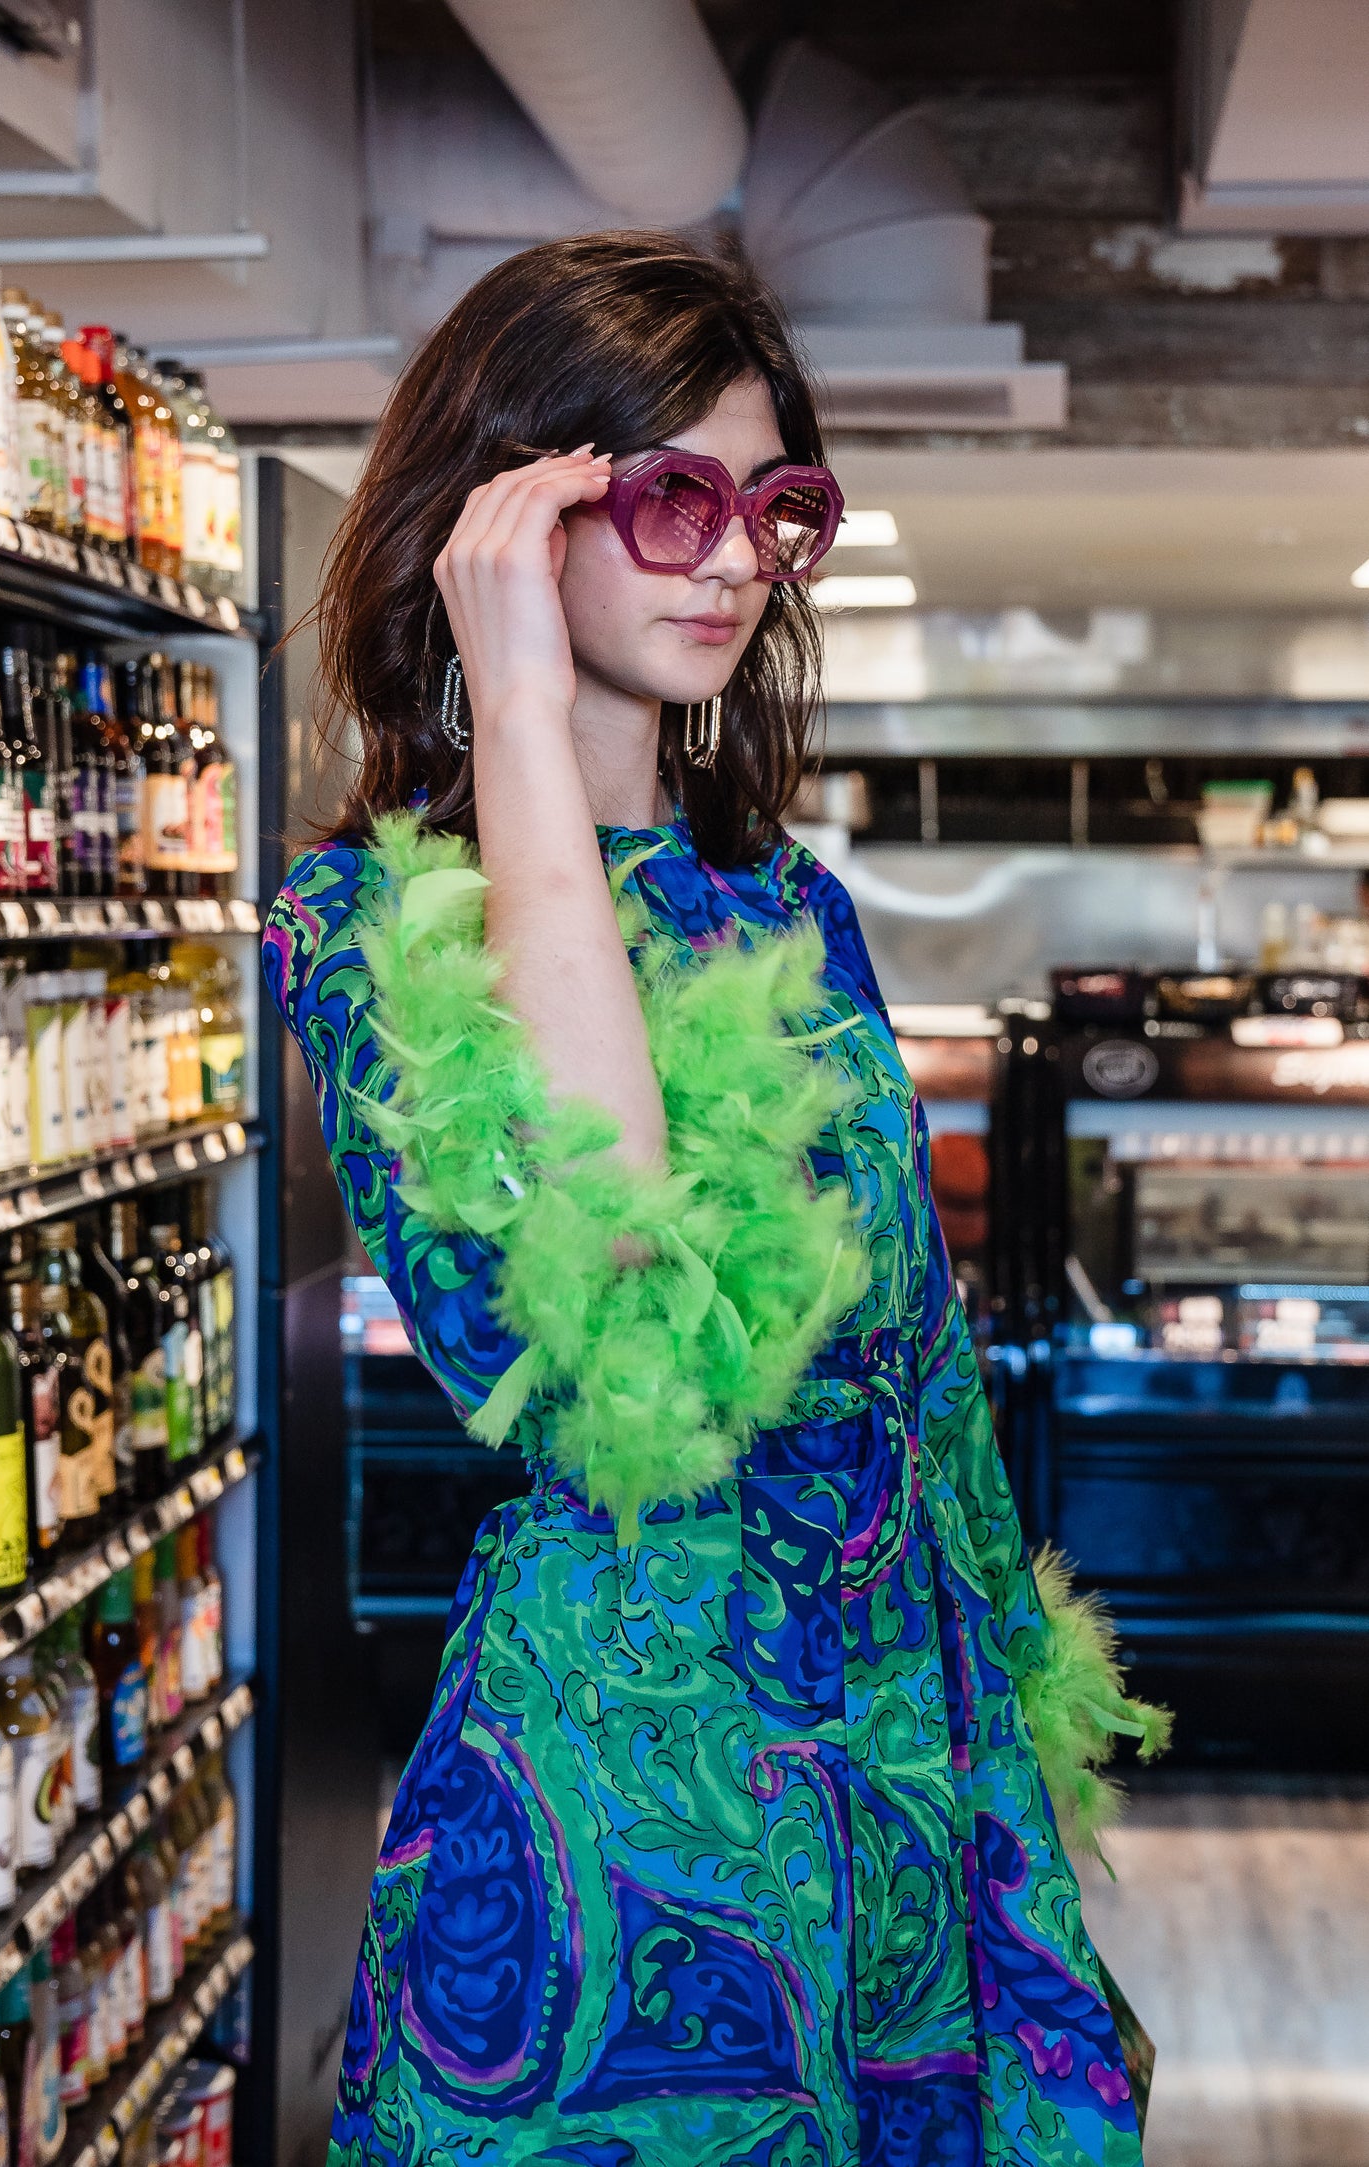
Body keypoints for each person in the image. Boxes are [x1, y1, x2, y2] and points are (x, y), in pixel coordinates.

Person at [264, 232, 1167, 2167]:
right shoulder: (368, 935)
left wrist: (1014, 1793)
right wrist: (515, 715)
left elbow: (922, 1402)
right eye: (669, 494)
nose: (736, 555)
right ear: (507, 516)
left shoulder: (789, 913)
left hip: (904, 1792)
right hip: (625, 1835)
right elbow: (622, 1341)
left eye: (776, 507)